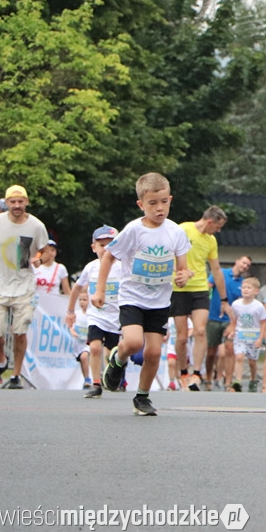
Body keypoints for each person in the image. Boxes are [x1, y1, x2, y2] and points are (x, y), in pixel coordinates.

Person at [92, 173, 191, 416]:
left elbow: (184, 268)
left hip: (159, 302)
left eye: (164, 202)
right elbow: (109, 256)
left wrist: (183, 276)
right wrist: (100, 289)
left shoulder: (175, 232)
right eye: (152, 203)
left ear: (170, 199)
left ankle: (142, 397)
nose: (160, 209)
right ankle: (118, 359)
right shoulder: (134, 230)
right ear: (141, 204)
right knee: (135, 342)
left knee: (154, 352)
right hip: (132, 298)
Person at [0, 185, 50, 388]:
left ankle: (15, 375)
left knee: (19, 331)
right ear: (6, 203)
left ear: (26, 202)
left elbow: (44, 250)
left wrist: (38, 260)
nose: (17, 205)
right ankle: (1, 360)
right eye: (12, 202)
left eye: (20, 201)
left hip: (23, 285)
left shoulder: (36, 226)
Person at [171, 205, 233, 391]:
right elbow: (167, 256)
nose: (218, 231)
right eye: (218, 226)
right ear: (209, 222)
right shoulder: (182, 229)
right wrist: (179, 271)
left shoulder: (211, 241)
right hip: (179, 289)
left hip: (199, 288)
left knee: (199, 330)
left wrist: (224, 299)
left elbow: (216, 270)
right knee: (182, 337)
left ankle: (196, 374)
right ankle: (183, 372)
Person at [71, 226, 124, 398]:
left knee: (111, 353)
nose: (106, 249)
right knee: (94, 348)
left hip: (115, 317)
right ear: (94, 248)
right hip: (96, 315)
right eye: (102, 245)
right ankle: (95, 383)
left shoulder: (123, 267)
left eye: (111, 245)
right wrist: (70, 311)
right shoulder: (91, 267)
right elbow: (77, 288)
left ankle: (112, 375)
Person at [205, 254, 252, 391]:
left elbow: (240, 306)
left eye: (247, 265)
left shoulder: (242, 284)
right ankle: (208, 378)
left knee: (229, 350)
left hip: (230, 320)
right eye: (243, 262)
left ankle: (228, 382)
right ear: (237, 261)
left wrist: (233, 324)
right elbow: (207, 287)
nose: (244, 266)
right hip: (213, 317)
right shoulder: (221, 273)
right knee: (211, 352)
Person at [230, 276, 266, 393]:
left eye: (249, 288)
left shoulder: (259, 306)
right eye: (244, 287)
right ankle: (238, 381)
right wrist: (232, 330)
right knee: (239, 357)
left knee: (252, 361)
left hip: (253, 336)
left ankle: (253, 379)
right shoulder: (236, 304)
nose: (245, 290)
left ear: (256, 291)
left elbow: (263, 322)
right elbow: (234, 319)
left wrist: (260, 338)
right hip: (240, 335)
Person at [68, 291, 93, 389]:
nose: (82, 302)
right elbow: (71, 326)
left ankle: (88, 379)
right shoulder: (76, 314)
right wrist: (72, 332)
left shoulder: (91, 314)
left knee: (84, 357)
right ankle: (86, 378)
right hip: (78, 343)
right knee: (82, 360)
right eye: (80, 300)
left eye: (85, 300)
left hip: (89, 343)